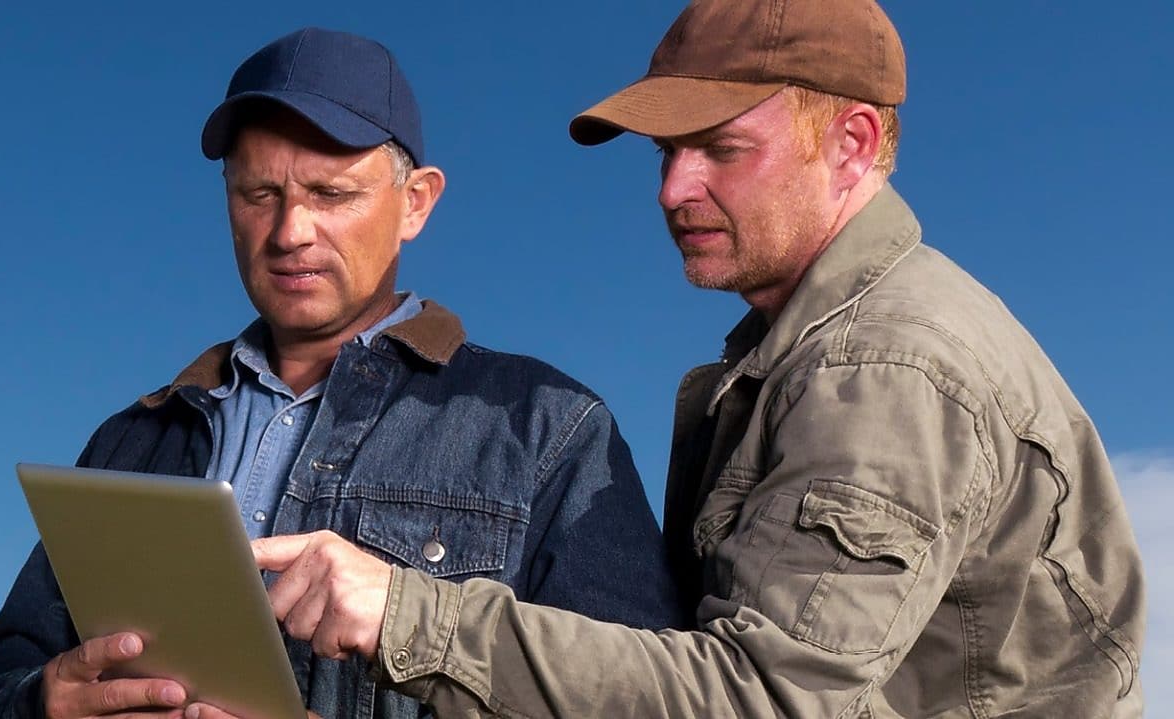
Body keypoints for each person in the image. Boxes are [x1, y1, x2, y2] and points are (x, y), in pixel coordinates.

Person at [228, 2, 1148, 717]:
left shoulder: (888, 364)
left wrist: (405, 615)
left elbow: (761, 698)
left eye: (720, 148)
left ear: (853, 143)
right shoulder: (801, 352)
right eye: (668, 151)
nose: (674, 188)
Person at [0, 27, 682, 719]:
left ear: (417, 202)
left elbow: (644, 703)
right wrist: (40, 701)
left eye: (331, 194)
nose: (289, 232)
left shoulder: (548, 429)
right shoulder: (132, 440)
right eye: (258, 194)